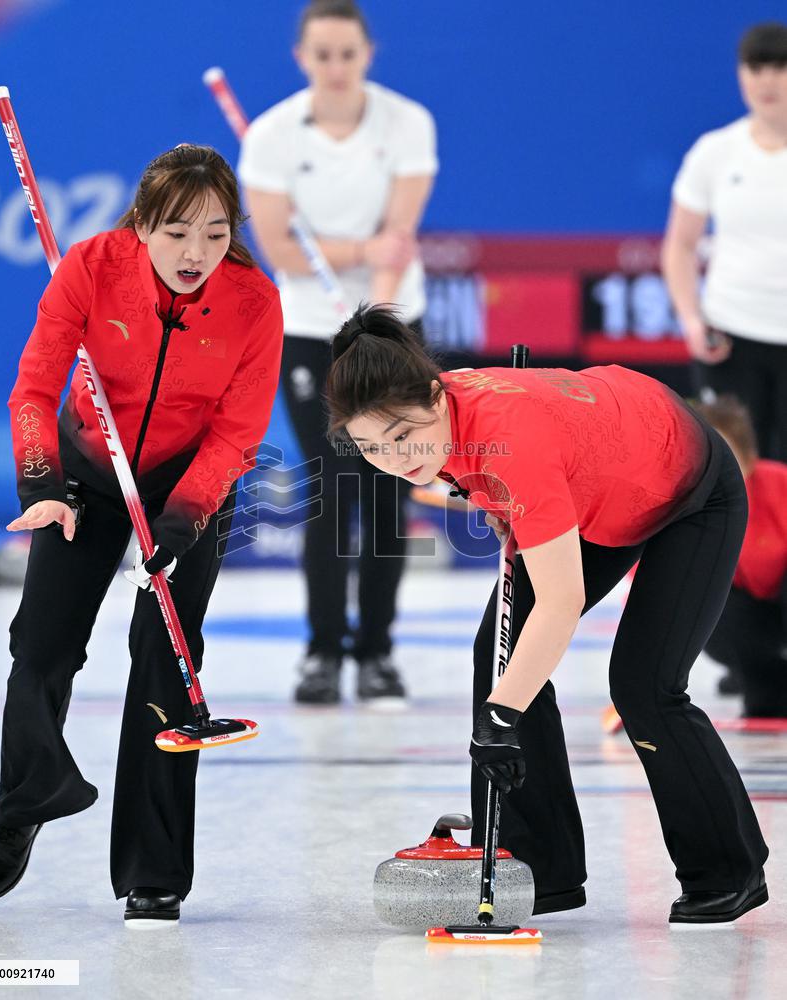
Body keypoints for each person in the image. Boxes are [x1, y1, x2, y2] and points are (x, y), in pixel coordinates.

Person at [324, 304, 769, 925]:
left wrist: (499, 719)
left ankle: (729, 870)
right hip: (602, 486)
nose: (395, 459)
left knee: (645, 687)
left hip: (689, 489)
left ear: (435, 395)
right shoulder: (442, 419)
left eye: (402, 436)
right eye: (371, 447)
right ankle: (543, 868)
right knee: (500, 656)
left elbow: (560, 604)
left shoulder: (512, 444)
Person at [0, 144, 284, 924]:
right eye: (177, 232)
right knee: (42, 645)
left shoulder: (254, 303)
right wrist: (43, 486)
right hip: (85, 471)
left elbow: (238, 435)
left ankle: (154, 868)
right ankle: (25, 802)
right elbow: (35, 385)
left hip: (188, 484)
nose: (196, 253)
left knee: (166, 658)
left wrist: (180, 522)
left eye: (215, 233)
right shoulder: (90, 266)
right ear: (142, 225)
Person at [238, 0, 438, 705]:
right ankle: (321, 652)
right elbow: (281, 250)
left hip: (388, 325)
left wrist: (374, 325)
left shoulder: (407, 123)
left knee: (388, 492)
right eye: (321, 55)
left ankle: (377, 653)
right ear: (301, 57)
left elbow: (399, 237)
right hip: (307, 330)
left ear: (367, 53)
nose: (334, 67)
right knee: (330, 487)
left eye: (346, 54)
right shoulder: (270, 135)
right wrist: (354, 252)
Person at [662, 21, 787, 461]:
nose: (766, 80)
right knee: (734, 469)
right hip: (732, 338)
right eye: (755, 68)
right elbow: (680, 244)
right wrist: (692, 320)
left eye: (778, 67)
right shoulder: (715, 152)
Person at [693, 396, 787, 717]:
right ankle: (761, 677)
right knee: (702, 600)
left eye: (726, 455)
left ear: (748, 456)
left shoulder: (780, 485)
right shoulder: (678, 510)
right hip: (744, 623)